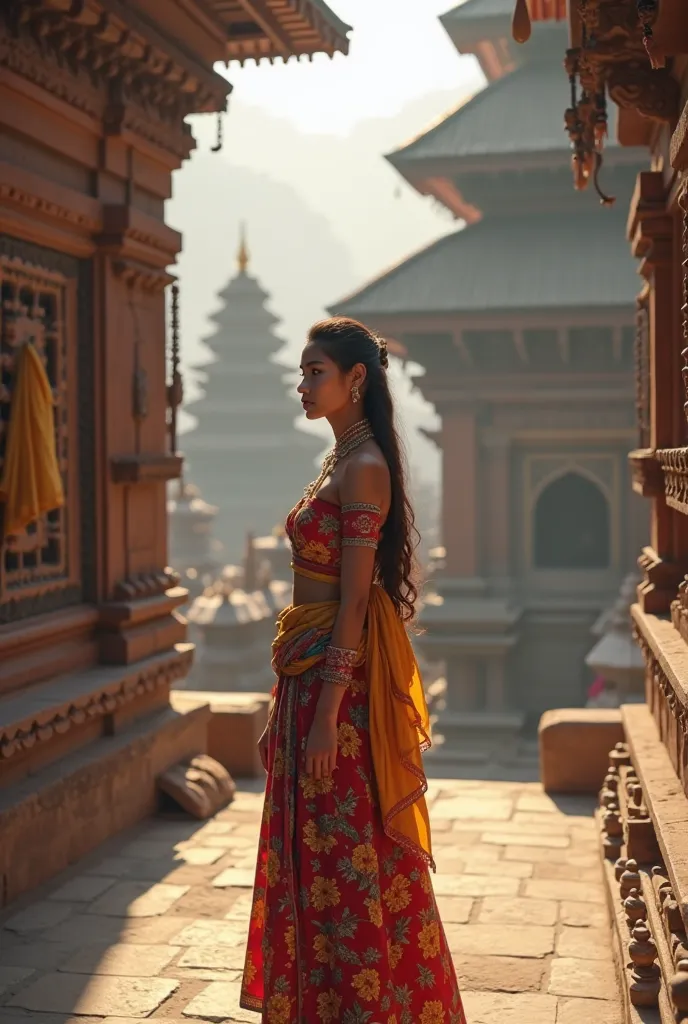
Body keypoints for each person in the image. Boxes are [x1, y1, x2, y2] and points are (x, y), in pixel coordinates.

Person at [240, 316, 466, 1024]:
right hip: (304, 677)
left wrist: (327, 712)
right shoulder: (341, 459)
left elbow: (355, 601)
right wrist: (288, 704)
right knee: (316, 858)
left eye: (316, 372)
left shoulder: (363, 468)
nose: (303, 385)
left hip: (337, 689)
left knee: (347, 857)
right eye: (302, 372)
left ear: (356, 379)